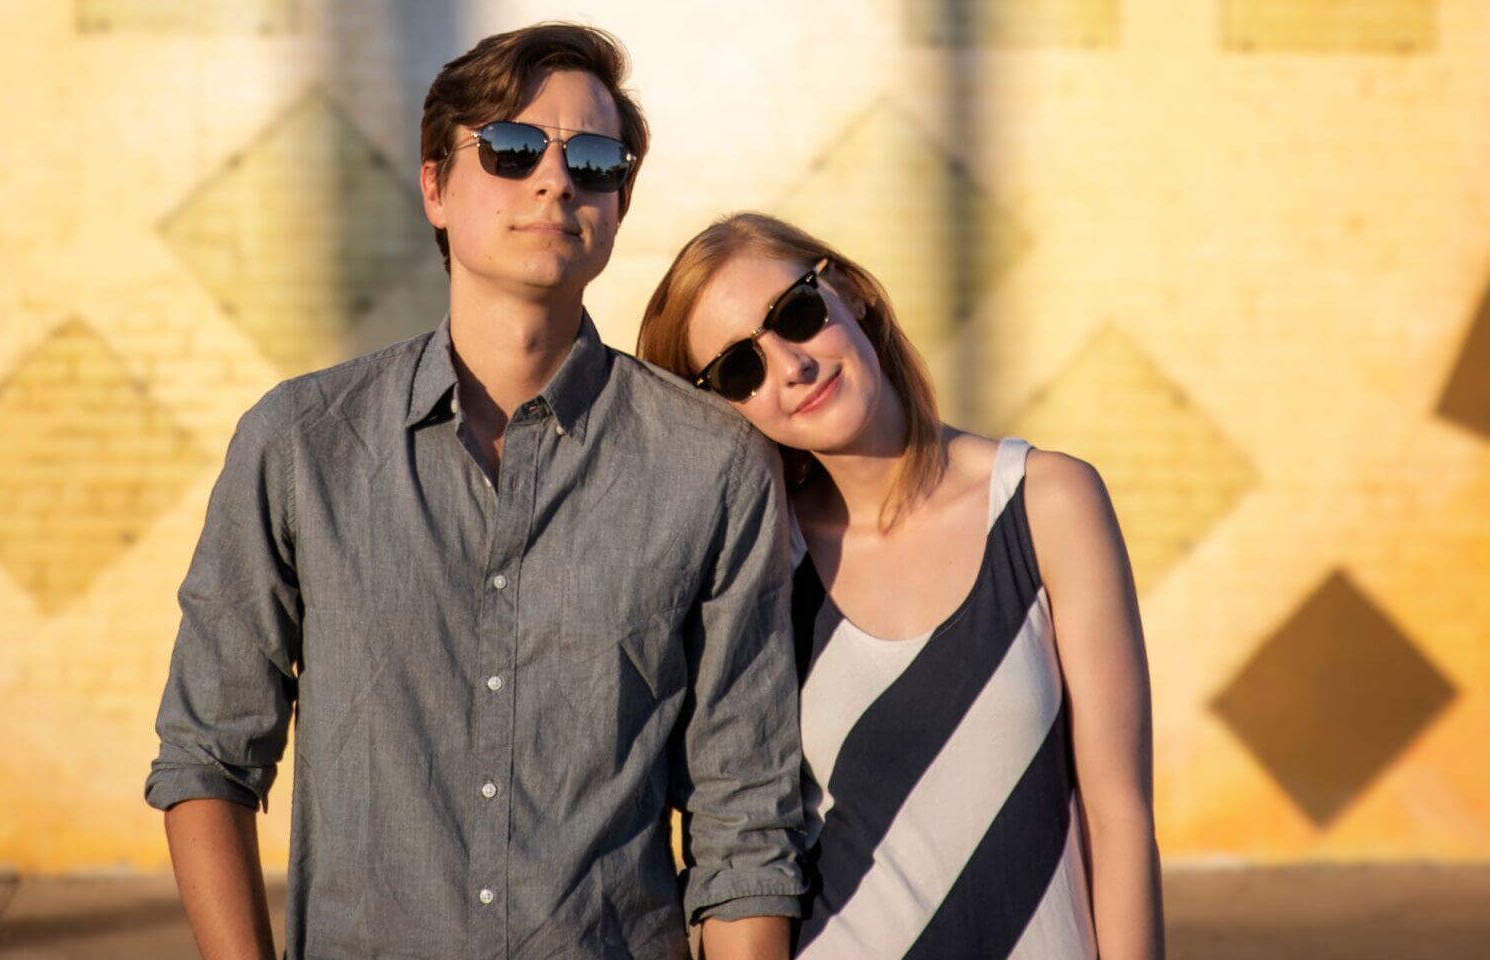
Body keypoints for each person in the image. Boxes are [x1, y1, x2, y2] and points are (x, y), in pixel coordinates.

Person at [146, 27, 806, 960]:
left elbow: (744, 815)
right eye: (509, 149)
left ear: (618, 203)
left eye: (593, 158)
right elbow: (207, 756)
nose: (553, 180)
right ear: (434, 188)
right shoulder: (301, 445)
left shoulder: (714, 465)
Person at [637, 212, 1164, 959]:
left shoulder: (1047, 503)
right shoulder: (752, 571)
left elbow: (1120, 818)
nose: (791, 365)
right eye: (738, 370)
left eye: (797, 315)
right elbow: (737, 844)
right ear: (722, 408)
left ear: (850, 293)